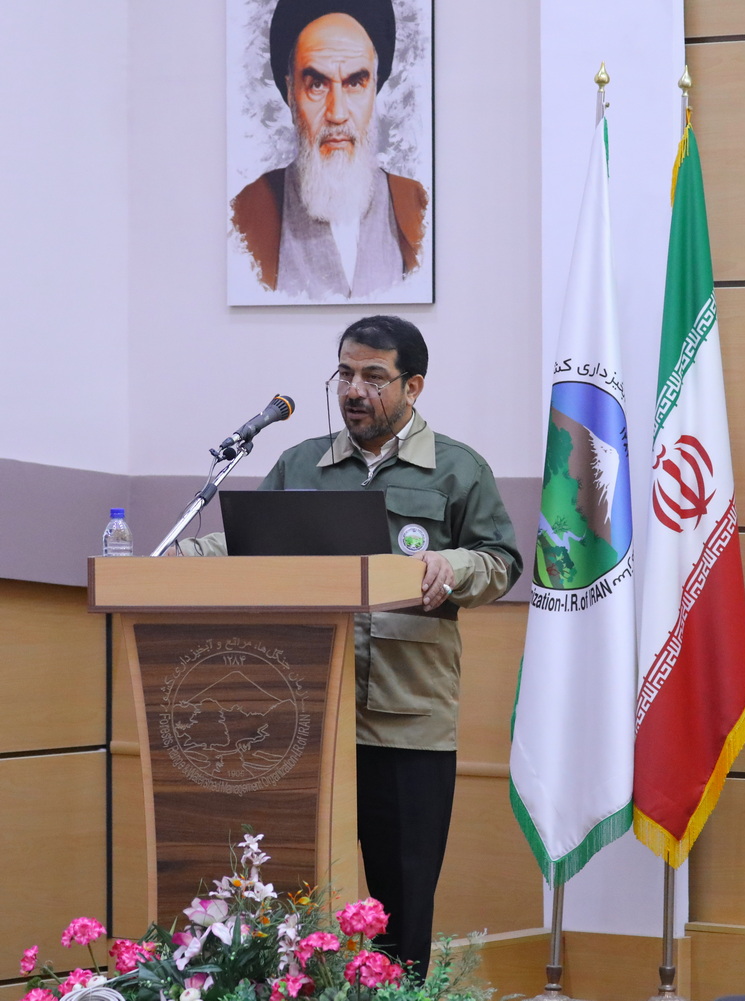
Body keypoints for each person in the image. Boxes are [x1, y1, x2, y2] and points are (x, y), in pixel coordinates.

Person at [176, 316, 522, 977]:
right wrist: (178, 557)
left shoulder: (456, 469)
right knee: (298, 896)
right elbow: (251, 545)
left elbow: (501, 560)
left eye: (373, 376)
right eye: (344, 373)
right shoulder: (301, 464)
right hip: (305, 715)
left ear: (413, 386)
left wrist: (452, 565)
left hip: (407, 718)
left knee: (402, 904)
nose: (353, 390)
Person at [231, 0, 428, 298]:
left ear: (374, 89)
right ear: (291, 93)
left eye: (355, 83)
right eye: (317, 85)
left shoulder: (419, 206)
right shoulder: (244, 215)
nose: (337, 113)